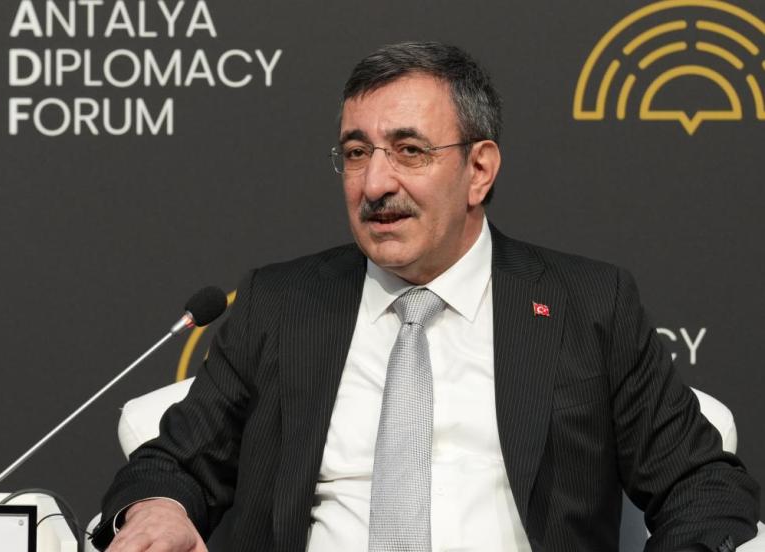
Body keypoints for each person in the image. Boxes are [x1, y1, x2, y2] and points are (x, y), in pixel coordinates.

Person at [92, 42, 759, 552]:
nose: (374, 184)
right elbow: (172, 463)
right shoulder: (282, 304)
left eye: (409, 151)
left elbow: (702, 486)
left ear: (479, 170)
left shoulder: (587, 304)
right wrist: (158, 510)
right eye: (357, 153)